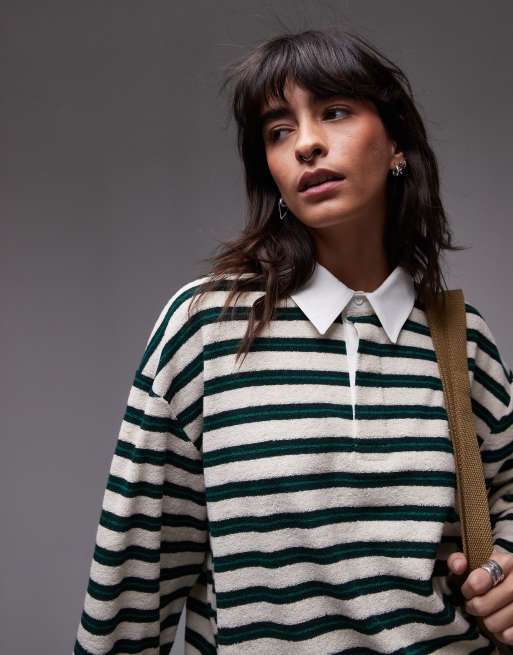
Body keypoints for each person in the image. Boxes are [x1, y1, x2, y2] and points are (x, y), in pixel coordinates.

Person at [73, 27, 513, 655]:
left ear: (396, 141)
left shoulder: (462, 340)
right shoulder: (206, 329)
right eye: (279, 131)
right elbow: (133, 581)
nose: (306, 143)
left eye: (334, 112)